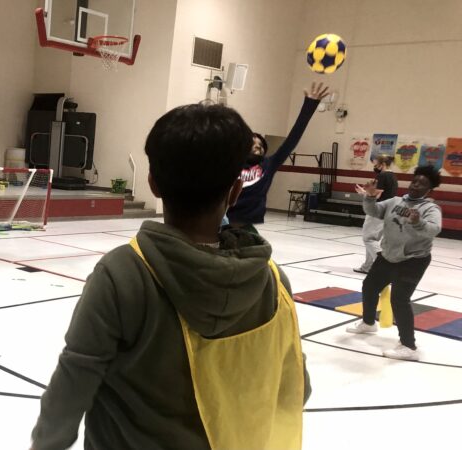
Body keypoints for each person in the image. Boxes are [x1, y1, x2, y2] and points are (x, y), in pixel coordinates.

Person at [31, 104, 310, 450]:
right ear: (236, 190)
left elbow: (69, 393)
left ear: (153, 183)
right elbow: (299, 387)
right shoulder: (273, 282)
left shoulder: (123, 274)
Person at [346, 165, 442, 361]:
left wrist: (418, 222)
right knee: (369, 286)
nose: (416, 185)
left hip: (413, 260)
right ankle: (368, 323)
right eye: (415, 181)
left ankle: (409, 346)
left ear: (429, 189)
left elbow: (434, 229)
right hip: (388, 255)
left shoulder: (430, 208)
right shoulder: (395, 201)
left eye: (422, 184)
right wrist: (370, 197)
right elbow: (373, 211)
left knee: (399, 299)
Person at [226, 82, 330, 232]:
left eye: (260, 144)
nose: (258, 146)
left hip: (246, 224)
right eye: (252, 143)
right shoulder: (230, 163)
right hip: (222, 222)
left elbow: (292, 139)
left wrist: (310, 105)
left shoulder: (268, 164)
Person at [354, 154, 398, 273]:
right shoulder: (393, 177)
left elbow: (376, 195)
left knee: (368, 239)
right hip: (388, 211)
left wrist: (363, 192)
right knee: (372, 239)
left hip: (377, 210)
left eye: (376, 164)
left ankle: (381, 265)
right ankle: (367, 266)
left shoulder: (382, 176)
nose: (375, 166)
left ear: (382, 164)